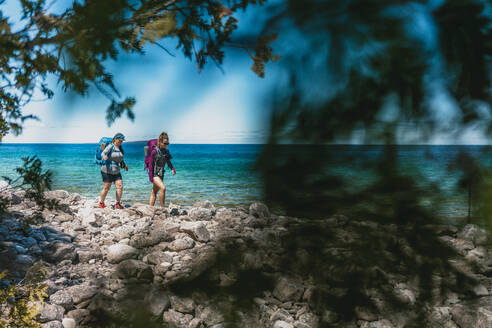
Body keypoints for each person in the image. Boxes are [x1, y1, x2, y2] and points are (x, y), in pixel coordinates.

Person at [99, 132, 128, 209]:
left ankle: (117, 203)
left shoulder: (120, 148)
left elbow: (120, 159)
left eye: (122, 141)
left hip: (117, 171)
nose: (121, 142)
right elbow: (103, 153)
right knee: (106, 188)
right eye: (120, 140)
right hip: (107, 171)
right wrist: (104, 156)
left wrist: (124, 165)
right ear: (115, 139)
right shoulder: (110, 146)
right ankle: (101, 202)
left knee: (120, 186)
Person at [149, 132, 176, 207]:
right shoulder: (154, 151)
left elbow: (168, 161)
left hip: (161, 174)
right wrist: (151, 177)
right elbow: (151, 165)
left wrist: (172, 169)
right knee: (163, 188)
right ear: (160, 142)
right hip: (155, 175)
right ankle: (163, 208)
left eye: (167, 143)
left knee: (154, 192)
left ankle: (150, 208)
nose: (166, 145)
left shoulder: (166, 152)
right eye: (164, 143)